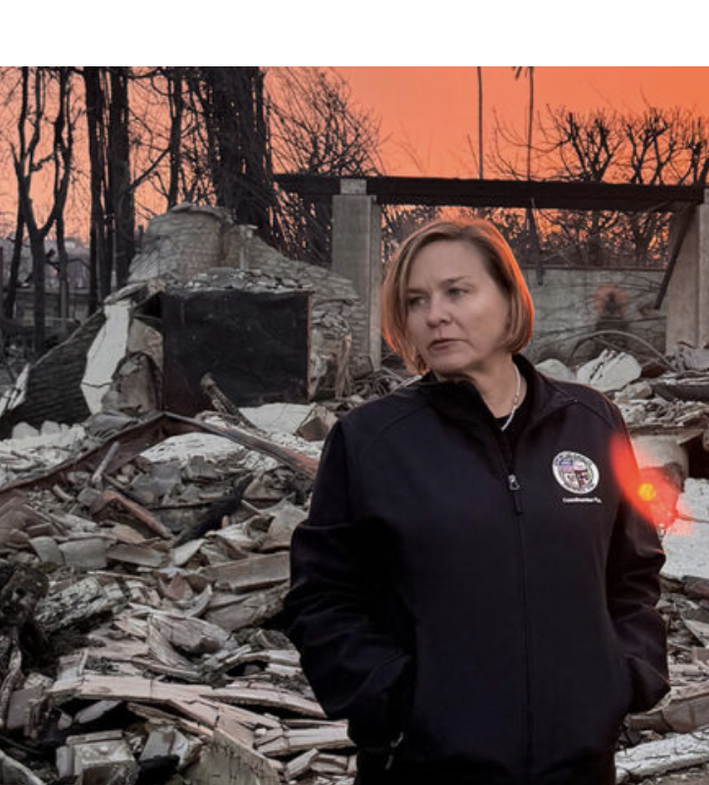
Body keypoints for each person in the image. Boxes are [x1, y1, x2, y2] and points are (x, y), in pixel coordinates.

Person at [286, 217, 669, 784]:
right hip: (424, 766)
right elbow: (322, 599)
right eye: (416, 300)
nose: (434, 315)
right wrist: (398, 705)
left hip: (578, 766)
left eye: (457, 292)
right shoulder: (371, 441)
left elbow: (632, 572)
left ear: (510, 299)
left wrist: (625, 675)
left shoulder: (591, 423)